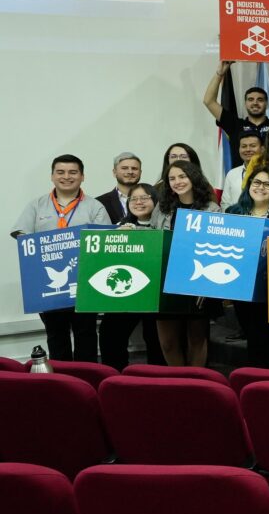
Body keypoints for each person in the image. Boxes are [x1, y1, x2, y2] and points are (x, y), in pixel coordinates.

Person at [11, 154, 111, 362]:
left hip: (85, 285)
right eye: (61, 172)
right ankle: (62, 385)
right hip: (48, 288)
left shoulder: (95, 207)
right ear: (52, 176)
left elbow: (105, 241)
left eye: (73, 172)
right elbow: (22, 236)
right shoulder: (36, 205)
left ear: (82, 176)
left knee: (86, 336)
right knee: (56, 337)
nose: (67, 176)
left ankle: (87, 382)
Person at [223, 165, 269, 368]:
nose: (260, 187)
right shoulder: (233, 213)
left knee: (262, 337)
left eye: (267, 184)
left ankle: (264, 382)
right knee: (252, 336)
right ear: (248, 186)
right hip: (240, 287)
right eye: (256, 182)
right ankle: (260, 383)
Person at [153, 160, 221, 368]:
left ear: (193, 177)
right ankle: (178, 383)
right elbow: (155, 238)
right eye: (172, 178)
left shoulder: (211, 208)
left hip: (198, 281)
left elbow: (217, 245)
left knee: (197, 339)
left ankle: (195, 384)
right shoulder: (162, 207)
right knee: (167, 343)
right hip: (165, 282)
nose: (177, 182)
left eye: (182, 176)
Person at [96, 183, 167, 369]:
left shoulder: (164, 223)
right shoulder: (120, 227)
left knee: (156, 336)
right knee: (109, 333)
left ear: (155, 200)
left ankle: (158, 379)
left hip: (155, 293)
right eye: (133, 199)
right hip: (127, 291)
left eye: (144, 198)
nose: (138, 202)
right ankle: (116, 377)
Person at [203, 66, 269, 147]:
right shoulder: (235, 125)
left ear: (267, 104)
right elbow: (209, 101)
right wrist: (220, 73)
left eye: (260, 100)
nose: (255, 103)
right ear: (245, 104)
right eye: (250, 99)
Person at [96, 152, 142, 224]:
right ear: (114, 172)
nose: (130, 172)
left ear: (140, 172)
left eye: (134, 168)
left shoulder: (153, 199)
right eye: (124, 168)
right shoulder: (99, 202)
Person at [219, 134, 262, 209]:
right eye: (244, 146)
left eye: (253, 146)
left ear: (262, 149)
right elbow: (225, 204)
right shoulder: (232, 174)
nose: (248, 149)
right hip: (235, 218)